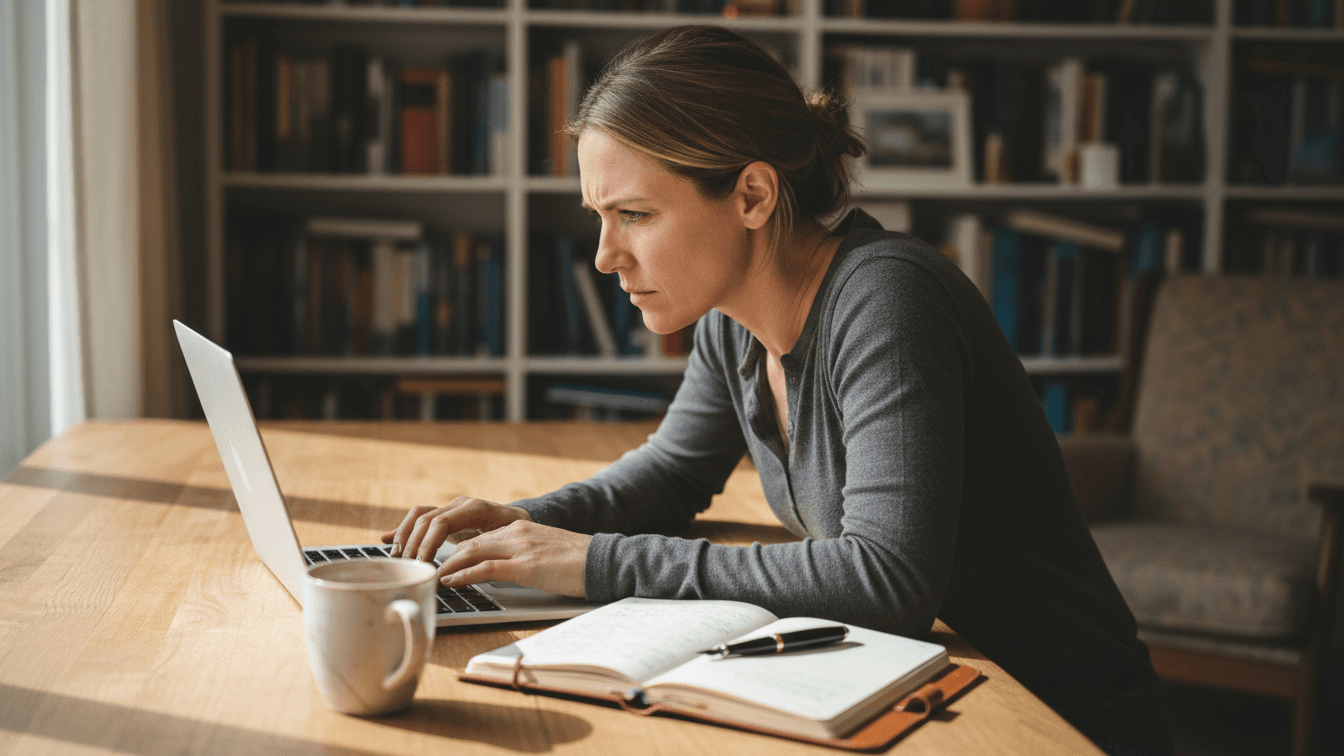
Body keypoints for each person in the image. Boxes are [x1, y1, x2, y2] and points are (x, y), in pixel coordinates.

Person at [382, 25, 1173, 756]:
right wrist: (522, 526)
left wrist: (590, 562)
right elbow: (673, 472)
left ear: (753, 196)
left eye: (634, 214)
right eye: (599, 216)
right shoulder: (734, 321)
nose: (604, 256)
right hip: (915, 692)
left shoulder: (888, 300)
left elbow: (884, 579)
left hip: (1053, 719)